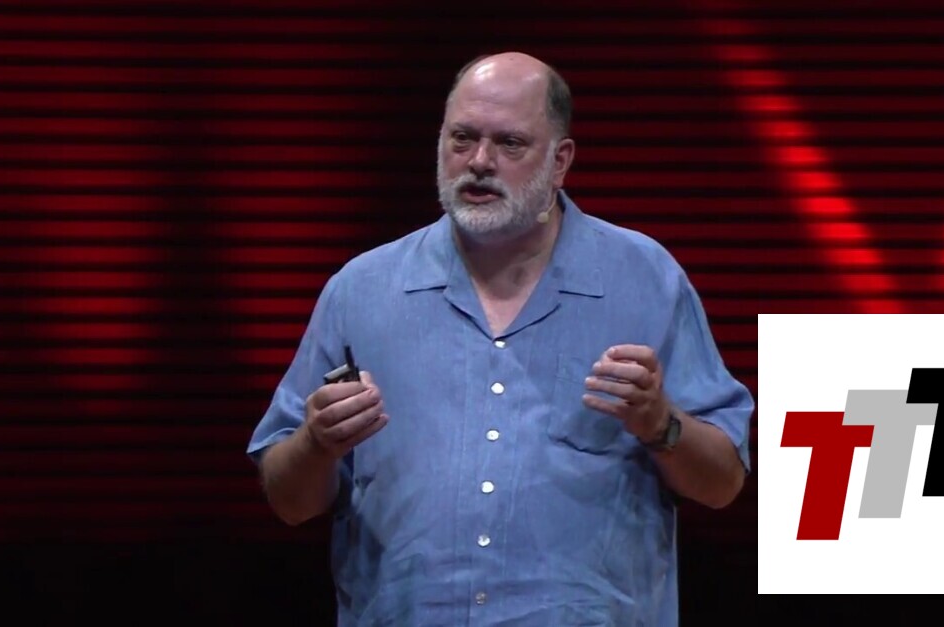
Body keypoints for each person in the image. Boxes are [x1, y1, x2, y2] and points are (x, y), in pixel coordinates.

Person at [247, 51, 754, 626]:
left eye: (510, 144)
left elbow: (723, 484)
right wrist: (317, 444)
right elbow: (289, 502)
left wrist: (659, 423)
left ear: (560, 161)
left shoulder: (645, 279)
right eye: (462, 139)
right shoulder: (361, 290)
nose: (479, 162)